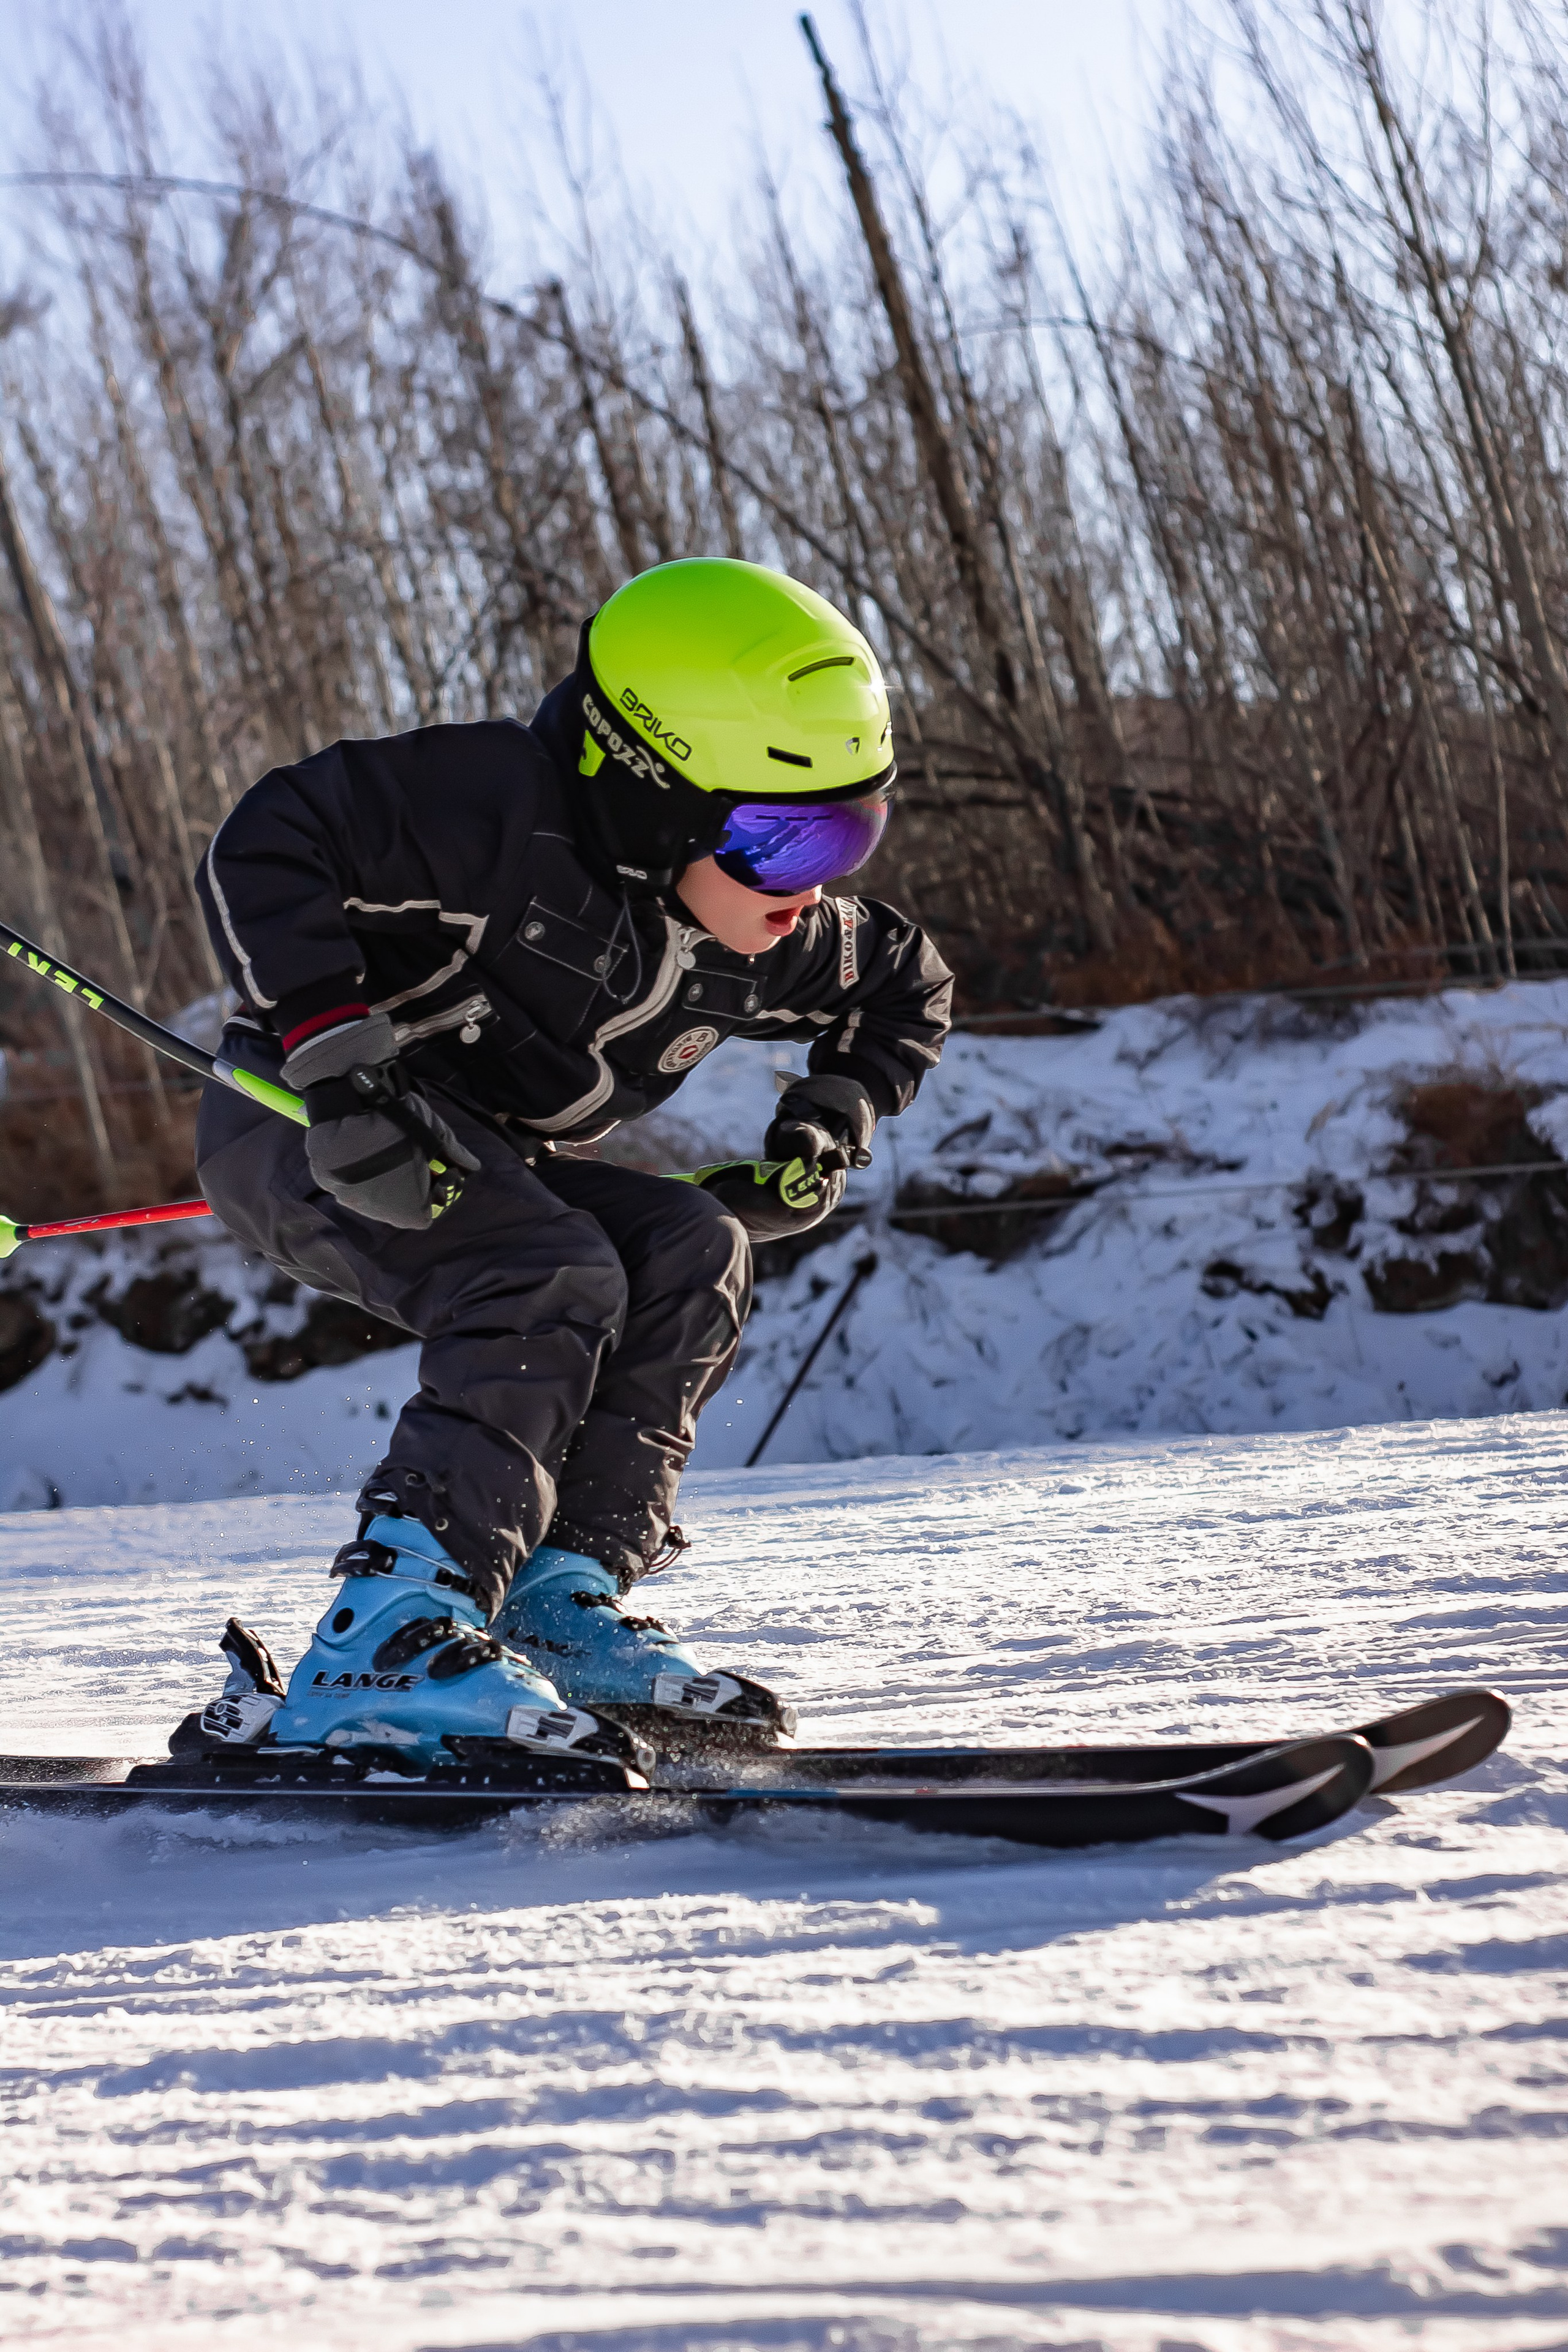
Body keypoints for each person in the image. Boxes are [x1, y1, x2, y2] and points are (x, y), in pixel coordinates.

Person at [185, 558, 952, 1767]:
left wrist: (822, 1121)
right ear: (653, 797)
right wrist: (338, 1070)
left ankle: (556, 1600)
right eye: (781, 834)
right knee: (549, 1272)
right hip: (304, 1122)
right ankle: (383, 1637)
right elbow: (273, 836)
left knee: (688, 1248)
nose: (812, 887)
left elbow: (903, 987)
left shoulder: (756, 928)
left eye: (851, 830)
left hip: (488, 1157)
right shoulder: (497, 809)